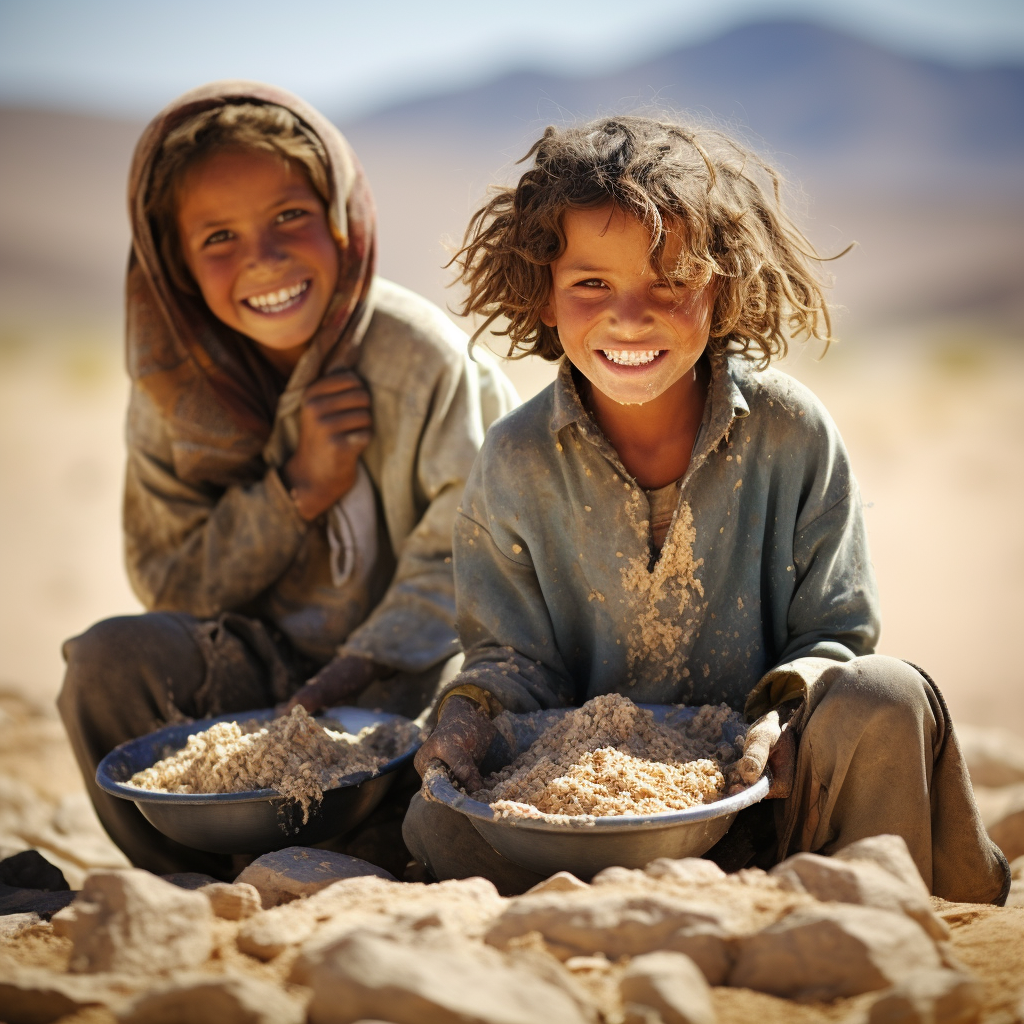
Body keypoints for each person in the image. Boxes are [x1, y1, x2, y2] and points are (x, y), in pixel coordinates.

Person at [405, 115, 1010, 902]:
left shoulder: (792, 432)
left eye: (670, 281)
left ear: (722, 287)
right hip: (591, 825)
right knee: (434, 821)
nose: (630, 314)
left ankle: (863, 913)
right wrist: (470, 713)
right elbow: (511, 661)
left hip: (778, 798)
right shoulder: (516, 459)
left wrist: (781, 723)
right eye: (592, 283)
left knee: (887, 694)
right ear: (546, 295)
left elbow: (835, 632)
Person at [58, 81, 518, 878]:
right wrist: (295, 490)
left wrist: (355, 669)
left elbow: (471, 552)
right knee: (108, 664)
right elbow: (172, 581)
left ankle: (377, 846)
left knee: (482, 707)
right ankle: (202, 874)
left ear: (342, 217)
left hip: (412, 673)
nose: (262, 259)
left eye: (289, 218)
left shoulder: (420, 358)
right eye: (219, 238)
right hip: (262, 686)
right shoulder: (173, 392)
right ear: (172, 259)